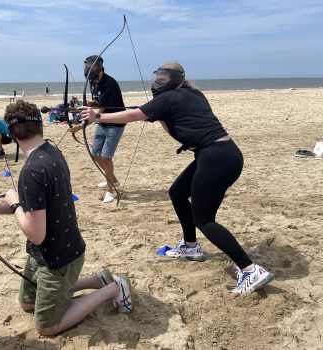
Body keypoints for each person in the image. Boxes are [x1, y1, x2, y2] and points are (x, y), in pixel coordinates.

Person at [80, 62, 274, 294]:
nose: (159, 81)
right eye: (158, 77)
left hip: (216, 159)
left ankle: (250, 269)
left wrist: (97, 117)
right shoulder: (192, 94)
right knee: (178, 192)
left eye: (164, 77)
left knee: (204, 219)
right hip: (223, 154)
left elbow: (133, 115)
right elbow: (170, 124)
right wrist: (156, 112)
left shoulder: (169, 98)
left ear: (177, 78)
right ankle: (190, 246)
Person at [0, 100, 133, 336]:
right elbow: (38, 208)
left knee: (46, 326)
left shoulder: (32, 171)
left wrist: (13, 202)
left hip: (59, 259)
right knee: (27, 304)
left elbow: (36, 234)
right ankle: (97, 279)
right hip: (48, 254)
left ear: (12, 134)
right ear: (40, 126)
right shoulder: (51, 150)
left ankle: (113, 289)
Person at [69, 55, 126, 203]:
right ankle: (112, 179)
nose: (92, 82)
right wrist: (90, 103)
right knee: (95, 154)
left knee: (106, 157)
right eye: (90, 79)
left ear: (100, 70)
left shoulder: (110, 84)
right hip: (102, 123)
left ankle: (110, 191)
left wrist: (80, 126)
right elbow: (96, 103)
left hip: (115, 123)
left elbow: (98, 113)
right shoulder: (93, 81)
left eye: (93, 78)